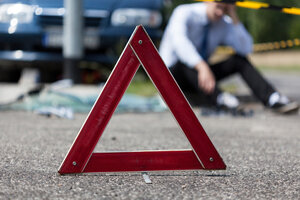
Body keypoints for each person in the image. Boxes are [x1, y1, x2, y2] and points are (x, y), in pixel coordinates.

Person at [159, 2, 299, 114]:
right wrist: (201, 66)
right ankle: (220, 99)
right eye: (218, 6)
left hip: (201, 78)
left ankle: (272, 99)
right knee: (186, 63)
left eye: (225, 9)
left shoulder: (223, 23)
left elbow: (245, 48)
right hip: (172, 75)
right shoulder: (184, 12)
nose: (220, 12)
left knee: (238, 61)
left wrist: (233, 16)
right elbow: (180, 43)